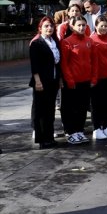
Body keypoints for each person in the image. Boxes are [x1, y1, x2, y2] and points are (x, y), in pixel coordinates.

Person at [60, 16, 96, 144]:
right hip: (72, 82)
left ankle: (79, 131)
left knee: (82, 107)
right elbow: (64, 63)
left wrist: (93, 78)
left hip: (85, 81)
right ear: (72, 26)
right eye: (79, 25)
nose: (81, 27)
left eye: (83, 25)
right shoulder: (67, 42)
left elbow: (93, 61)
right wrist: (69, 80)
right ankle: (71, 132)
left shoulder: (89, 41)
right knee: (70, 108)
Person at [29, 17, 62, 149]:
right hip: (41, 82)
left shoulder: (55, 42)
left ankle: (49, 137)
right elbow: (34, 65)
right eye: (46, 26)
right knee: (41, 111)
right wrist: (37, 81)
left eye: (51, 26)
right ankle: (42, 139)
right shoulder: (36, 43)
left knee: (50, 111)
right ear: (40, 28)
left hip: (53, 80)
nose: (49, 28)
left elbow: (58, 63)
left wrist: (59, 79)